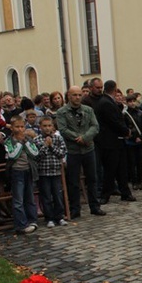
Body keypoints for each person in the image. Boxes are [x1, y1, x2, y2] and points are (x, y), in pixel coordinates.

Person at [56, 86, 105, 218]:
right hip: (73, 150)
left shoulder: (88, 110)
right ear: (69, 96)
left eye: (79, 95)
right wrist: (78, 138)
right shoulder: (62, 112)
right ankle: (75, 208)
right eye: (74, 95)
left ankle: (95, 206)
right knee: (73, 181)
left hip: (88, 148)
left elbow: (95, 126)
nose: (77, 97)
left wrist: (85, 137)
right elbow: (63, 129)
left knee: (92, 178)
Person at [95, 80, 135, 204]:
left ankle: (125, 192)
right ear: (114, 89)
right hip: (110, 141)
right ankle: (105, 194)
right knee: (110, 169)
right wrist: (126, 131)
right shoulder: (106, 103)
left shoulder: (109, 102)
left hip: (117, 141)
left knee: (121, 168)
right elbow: (113, 122)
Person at [4, 116, 39, 234]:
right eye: (17, 127)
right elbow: (12, 155)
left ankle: (32, 220)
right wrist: (19, 143)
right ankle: (21, 224)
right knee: (18, 199)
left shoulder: (28, 139)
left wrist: (26, 143)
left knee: (30, 197)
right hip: (16, 171)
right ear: (12, 128)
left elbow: (35, 153)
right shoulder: (9, 141)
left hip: (28, 170)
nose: (20, 129)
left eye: (22, 126)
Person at [34, 116, 68, 227]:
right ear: (40, 127)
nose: (47, 128)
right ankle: (49, 218)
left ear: (53, 126)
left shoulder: (58, 138)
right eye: (44, 126)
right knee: (46, 196)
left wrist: (51, 146)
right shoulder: (37, 140)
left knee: (57, 195)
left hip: (56, 171)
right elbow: (37, 157)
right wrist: (45, 146)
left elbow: (62, 153)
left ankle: (60, 216)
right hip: (43, 172)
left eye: (49, 125)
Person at [123, 94, 142, 190]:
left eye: (133, 101)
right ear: (127, 103)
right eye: (130, 101)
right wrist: (132, 137)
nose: (132, 103)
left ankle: (140, 181)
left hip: (139, 141)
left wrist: (141, 137)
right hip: (130, 142)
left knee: (140, 162)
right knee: (132, 163)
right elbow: (125, 128)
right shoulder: (125, 114)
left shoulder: (140, 113)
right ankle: (134, 181)